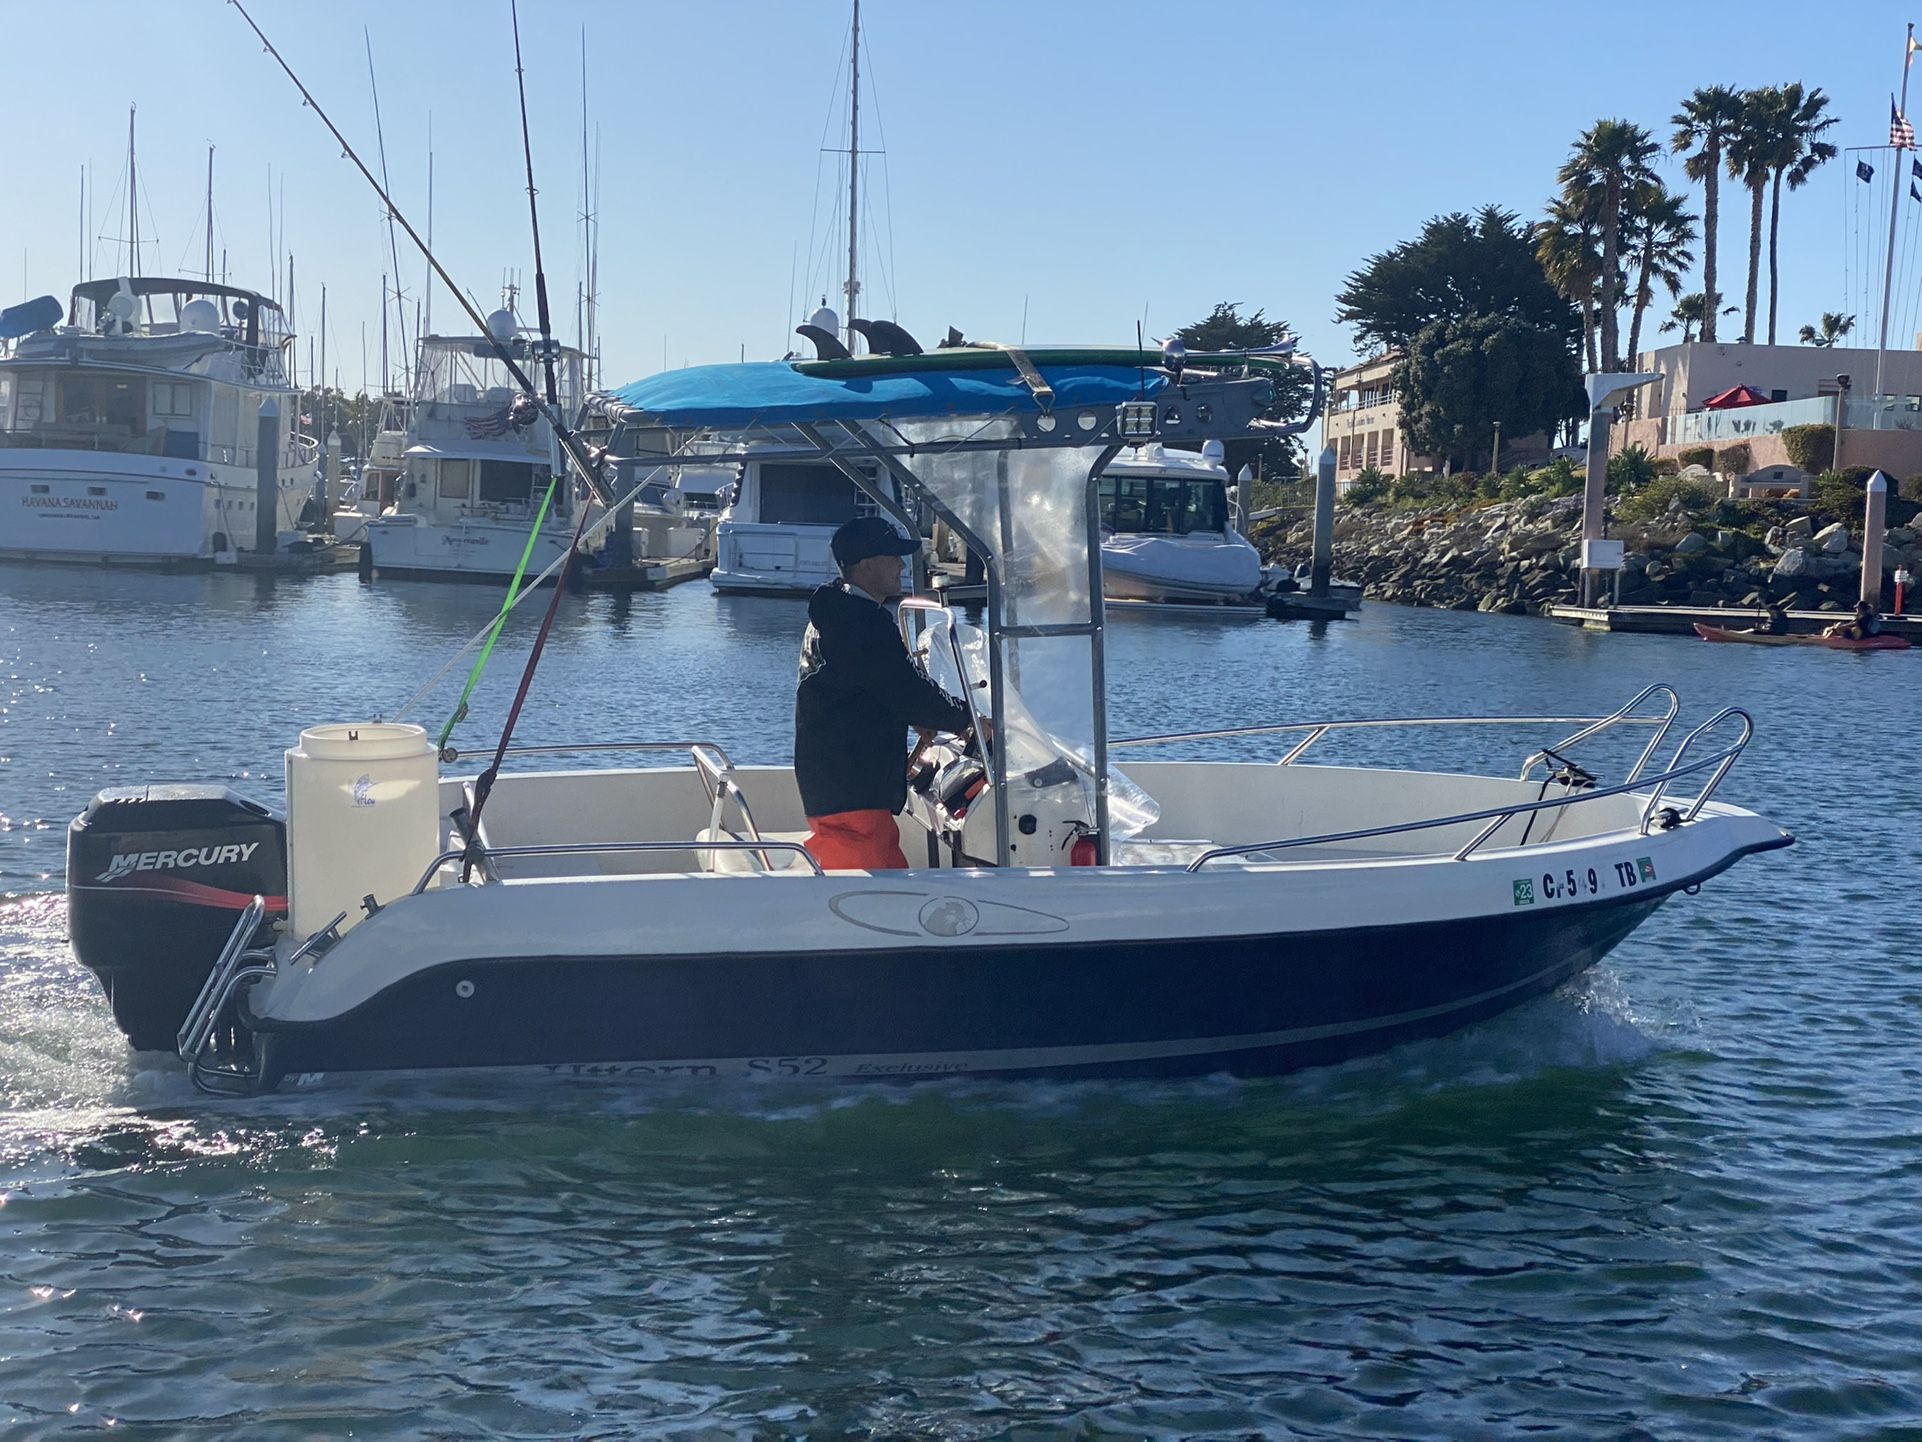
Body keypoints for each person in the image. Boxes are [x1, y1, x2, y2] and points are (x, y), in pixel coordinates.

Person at [794, 516, 974, 870]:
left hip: (838, 783)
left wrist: (918, 716)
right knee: (873, 907)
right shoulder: (861, 624)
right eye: (892, 556)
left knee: (890, 881)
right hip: (852, 791)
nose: (901, 565)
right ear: (867, 565)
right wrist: (968, 720)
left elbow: (876, 686)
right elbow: (906, 689)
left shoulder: (836, 614)